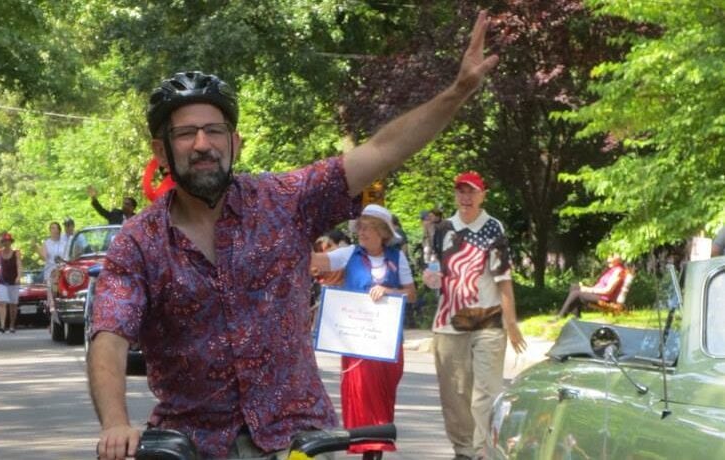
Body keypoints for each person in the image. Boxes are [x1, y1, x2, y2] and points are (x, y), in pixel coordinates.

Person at [88, 10, 499, 460]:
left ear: (235, 142)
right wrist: (115, 424)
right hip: (194, 443)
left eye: (214, 131)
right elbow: (109, 334)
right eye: (185, 134)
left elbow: (380, 150)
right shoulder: (138, 241)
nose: (202, 144)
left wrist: (457, 92)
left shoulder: (286, 200)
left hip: (297, 437)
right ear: (160, 151)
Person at [422, 170, 526, 460]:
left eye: (472, 192)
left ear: (483, 195)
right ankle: (464, 450)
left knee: (486, 392)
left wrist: (511, 323)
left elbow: (504, 278)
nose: (466, 198)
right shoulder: (443, 228)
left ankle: (483, 451)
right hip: (448, 322)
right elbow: (432, 267)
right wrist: (430, 278)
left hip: (488, 319)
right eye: (461, 191)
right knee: (455, 396)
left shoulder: (494, 228)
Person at [311, 205, 416, 460]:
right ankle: (369, 451)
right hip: (357, 344)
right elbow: (317, 262)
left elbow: (411, 294)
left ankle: (375, 448)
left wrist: (389, 292)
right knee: (360, 396)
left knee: (382, 398)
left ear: (382, 232)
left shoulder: (397, 258)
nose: (361, 232)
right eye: (360, 227)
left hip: (387, 343)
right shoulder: (349, 254)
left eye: (367, 227)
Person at [553, 254, 627, 320]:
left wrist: (588, 290)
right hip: (599, 295)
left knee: (576, 294)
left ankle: (561, 316)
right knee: (574, 287)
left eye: (611, 257)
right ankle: (576, 316)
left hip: (605, 298)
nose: (608, 259)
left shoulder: (618, 271)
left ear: (618, 259)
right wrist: (587, 289)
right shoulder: (611, 270)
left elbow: (608, 290)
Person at [0, 232, 22, 333]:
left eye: (8, 241)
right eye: (4, 241)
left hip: (14, 281)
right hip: (2, 281)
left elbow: (19, 265)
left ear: (11, 242)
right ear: (2, 243)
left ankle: (11, 325)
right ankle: (2, 325)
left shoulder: (16, 253)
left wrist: (19, 276)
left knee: (13, 304)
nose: (6, 243)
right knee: (2, 302)